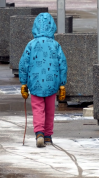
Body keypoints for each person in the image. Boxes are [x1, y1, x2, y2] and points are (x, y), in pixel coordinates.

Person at [19, 12, 67, 148]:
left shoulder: (31, 45)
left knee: (38, 108)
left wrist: (24, 83)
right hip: (52, 84)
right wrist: (62, 84)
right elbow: (62, 64)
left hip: (35, 83)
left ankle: (39, 133)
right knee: (50, 110)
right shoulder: (56, 45)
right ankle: (47, 136)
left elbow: (24, 64)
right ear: (52, 27)